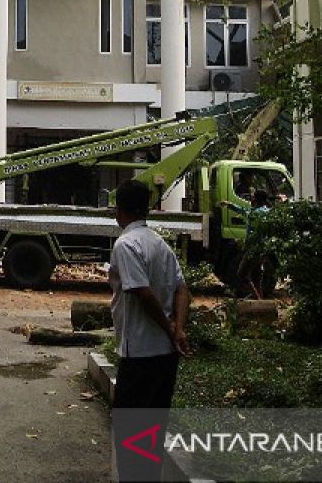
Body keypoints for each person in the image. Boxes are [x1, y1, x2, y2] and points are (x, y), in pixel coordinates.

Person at [109, 180, 190, 481]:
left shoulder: (126, 245)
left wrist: (171, 328)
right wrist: (179, 330)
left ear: (119, 210)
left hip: (140, 354)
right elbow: (182, 288)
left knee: (130, 430)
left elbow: (142, 293)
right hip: (164, 357)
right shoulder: (160, 243)